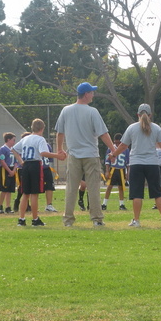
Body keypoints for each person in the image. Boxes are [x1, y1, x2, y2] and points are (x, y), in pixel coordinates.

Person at [55, 82, 115, 227]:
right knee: (93, 188)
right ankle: (97, 219)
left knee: (71, 188)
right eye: (92, 92)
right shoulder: (92, 111)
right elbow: (103, 134)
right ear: (86, 94)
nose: (93, 95)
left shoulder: (66, 110)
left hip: (73, 155)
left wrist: (59, 150)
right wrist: (114, 149)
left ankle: (68, 220)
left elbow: (60, 132)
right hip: (90, 155)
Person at [113, 104, 161, 227]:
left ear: (138, 115)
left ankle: (136, 220)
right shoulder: (156, 128)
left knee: (136, 194)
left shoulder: (132, 128)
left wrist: (113, 154)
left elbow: (123, 146)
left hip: (136, 163)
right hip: (152, 163)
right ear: (150, 115)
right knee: (157, 193)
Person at [12, 119, 63, 227]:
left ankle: (21, 219)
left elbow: (14, 149)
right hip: (35, 165)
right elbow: (43, 152)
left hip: (25, 166)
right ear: (42, 128)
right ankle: (35, 219)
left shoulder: (26, 138)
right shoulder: (40, 139)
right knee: (34, 193)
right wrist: (57, 155)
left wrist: (21, 162)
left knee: (25, 193)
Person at [102, 133, 129, 211]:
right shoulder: (110, 148)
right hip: (113, 169)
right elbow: (107, 161)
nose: (117, 144)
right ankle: (104, 204)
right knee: (109, 186)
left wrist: (127, 172)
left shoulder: (125, 149)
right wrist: (107, 171)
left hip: (121, 169)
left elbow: (127, 163)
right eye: (116, 142)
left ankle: (121, 204)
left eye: (118, 143)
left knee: (121, 187)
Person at [0, 132, 16, 214]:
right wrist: (9, 170)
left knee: (10, 190)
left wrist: (14, 170)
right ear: (8, 140)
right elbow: (2, 160)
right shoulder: (3, 149)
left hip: (12, 169)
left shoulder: (13, 149)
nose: (14, 142)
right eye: (13, 140)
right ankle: (0, 205)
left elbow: (16, 161)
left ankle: (8, 207)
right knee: (4, 189)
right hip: (5, 169)